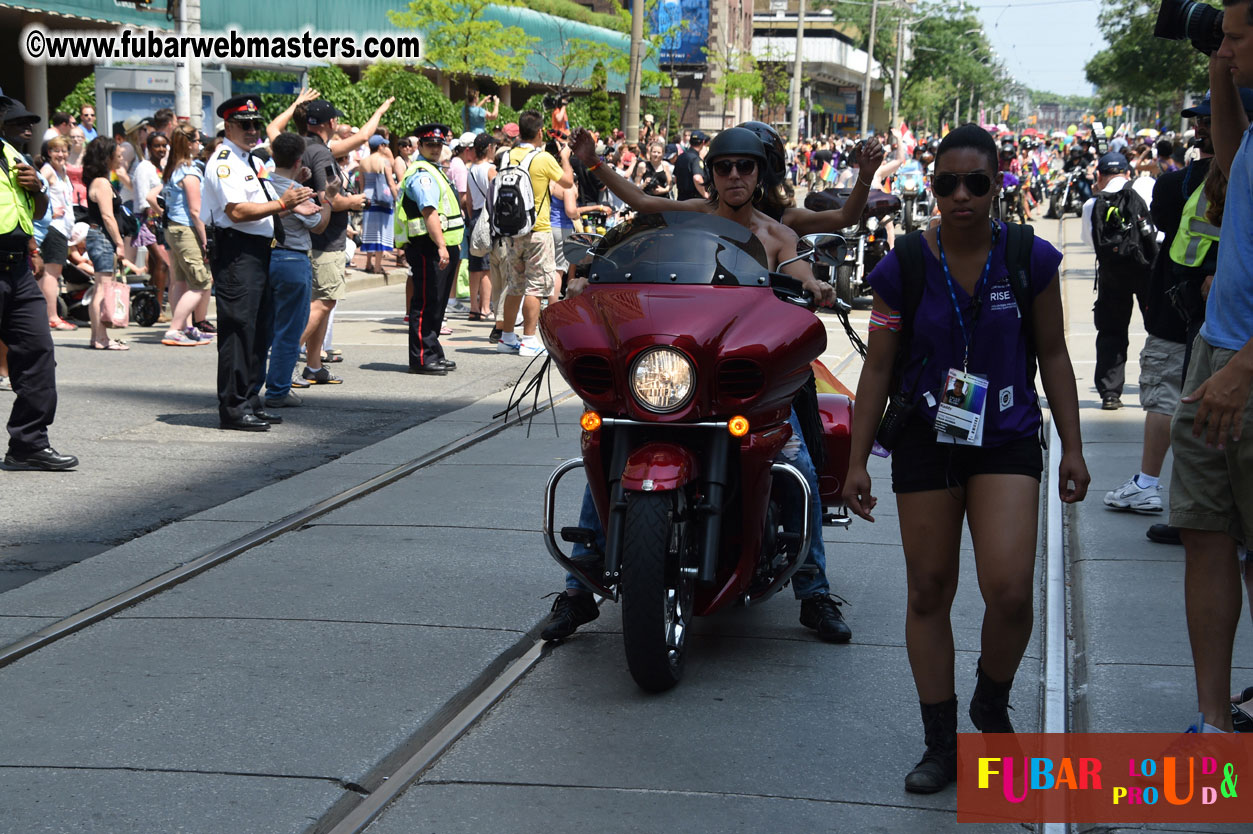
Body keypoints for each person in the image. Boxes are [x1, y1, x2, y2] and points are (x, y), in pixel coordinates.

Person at [842, 124, 1089, 793]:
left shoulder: (1028, 257)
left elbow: (1054, 354)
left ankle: (990, 699)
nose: (960, 195)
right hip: (926, 438)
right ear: (932, 186)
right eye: (946, 182)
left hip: (1006, 435)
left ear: (996, 184)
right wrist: (857, 461)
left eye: (974, 182)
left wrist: (1072, 445)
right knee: (928, 590)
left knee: (1009, 592)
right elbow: (877, 369)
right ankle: (941, 743)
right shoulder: (903, 265)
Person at [544, 126, 849, 644]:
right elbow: (641, 211)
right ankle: (578, 589)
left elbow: (802, 275)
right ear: (711, 174)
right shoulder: (688, 221)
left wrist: (816, 286)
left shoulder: (777, 234)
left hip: (744, 375)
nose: (734, 175)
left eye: (744, 166)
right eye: (724, 167)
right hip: (686, 368)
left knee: (796, 461)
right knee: (610, 439)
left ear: (759, 174)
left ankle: (813, 589)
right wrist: (592, 273)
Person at [1173, 8, 1253, 735]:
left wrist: (1243, 368)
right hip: (1212, 354)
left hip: (1244, 366)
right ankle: (1212, 721)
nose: (1223, 47)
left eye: (1235, 35)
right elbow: (1229, 158)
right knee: (1205, 534)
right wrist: (1218, 68)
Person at [199, 94, 315, 431]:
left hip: (259, 250)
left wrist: (289, 202)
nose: (252, 130)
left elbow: (261, 205)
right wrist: (282, 204)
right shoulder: (224, 162)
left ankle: (250, 398)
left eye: (255, 124)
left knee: (259, 329)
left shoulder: (249, 160)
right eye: (245, 125)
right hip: (237, 251)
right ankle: (234, 407)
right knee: (239, 330)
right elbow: (236, 211)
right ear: (228, 127)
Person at [0, 87, 76, 471]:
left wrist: (37, 189)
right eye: (16, 121)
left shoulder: (15, 156)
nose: (24, 128)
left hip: (17, 267)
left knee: (38, 352)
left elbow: (37, 210)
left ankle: (28, 444)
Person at [260, 131, 334, 407]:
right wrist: (329, 199)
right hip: (292, 258)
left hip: (265, 257)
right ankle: (278, 390)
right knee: (289, 330)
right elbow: (319, 224)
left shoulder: (263, 183)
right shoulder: (296, 192)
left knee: (264, 328)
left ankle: (254, 388)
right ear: (299, 160)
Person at [1080, 151, 1157, 410]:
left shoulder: (1092, 204)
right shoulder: (1146, 188)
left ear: (1099, 175)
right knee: (1158, 329)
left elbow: (1090, 241)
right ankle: (1162, 386)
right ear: (1128, 172)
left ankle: (1110, 394)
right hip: (1146, 270)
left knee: (1111, 332)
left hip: (1112, 274)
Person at [495, 110, 574, 358]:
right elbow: (568, 182)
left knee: (515, 285)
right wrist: (565, 158)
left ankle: (507, 337)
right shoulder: (543, 158)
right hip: (538, 230)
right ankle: (529, 339)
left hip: (511, 230)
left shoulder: (506, 156)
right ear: (540, 132)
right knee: (535, 287)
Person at [399, 123, 463, 375]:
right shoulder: (422, 173)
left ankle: (433, 351)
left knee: (437, 303)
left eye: (439, 145)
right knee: (426, 303)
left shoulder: (434, 169)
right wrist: (442, 246)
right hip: (429, 246)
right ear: (420, 146)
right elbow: (429, 211)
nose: (435, 149)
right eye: (430, 145)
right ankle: (422, 358)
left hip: (440, 245)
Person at [158, 124, 214, 347]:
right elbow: (195, 210)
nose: (200, 144)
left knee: (180, 281)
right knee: (201, 282)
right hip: (186, 229)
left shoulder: (174, 168)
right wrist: (205, 240)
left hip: (174, 228)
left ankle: (183, 328)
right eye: (197, 140)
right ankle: (174, 329)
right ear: (189, 144)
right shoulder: (190, 172)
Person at [82, 137, 132, 351]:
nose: (121, 159)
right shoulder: (101, 183)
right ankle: (101, 338)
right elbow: (107, 216)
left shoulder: (100, 181)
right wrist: (119, 243)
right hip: (103, 237)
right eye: (117, 155)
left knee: (100, 287)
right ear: (107, 158)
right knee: (103, 288)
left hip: (100, 237)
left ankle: (97, 336)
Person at [466, 132, 496, 321]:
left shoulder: (470, 170)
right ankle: (485, 307)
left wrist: (472, 219)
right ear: (489, 148)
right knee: (487, 267)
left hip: (475, 216)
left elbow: (468, 200)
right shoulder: (491, 169)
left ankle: (474, 307)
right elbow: (496, 196)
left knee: (475, 265)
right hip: (489, 217)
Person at [359, 134, 397, 275]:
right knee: (381, 231)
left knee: (369, 231)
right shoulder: (384, 162)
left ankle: (368, 262)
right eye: (384, 145)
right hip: (382, 197)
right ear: (380, 146)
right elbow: (391, 183)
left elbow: (362, 185)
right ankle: (377, 266)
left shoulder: (363, 162)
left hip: (368, 197)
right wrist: (397, 199)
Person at [673, 129, 708, 200]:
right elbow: (697, 178)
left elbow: (676, 179)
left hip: (681, 198)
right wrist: (705, 194)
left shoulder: (680, 157)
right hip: (694, 200)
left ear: (690, 141)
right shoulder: (696, 159)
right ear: (703, 142)